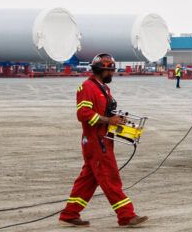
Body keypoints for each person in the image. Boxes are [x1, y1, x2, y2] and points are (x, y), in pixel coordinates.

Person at [59, 53, 148, 227]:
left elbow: (104, 112)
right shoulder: (88, 88)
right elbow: (83, 114)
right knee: (110, 177)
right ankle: (126, 215)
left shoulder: (103, 89)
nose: (113, 74)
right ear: (103, 70)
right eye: (111, 71)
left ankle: (70, 214)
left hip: (103, 140)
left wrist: (116, 118)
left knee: (88, 180)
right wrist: (109, 120)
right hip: (95, 142)